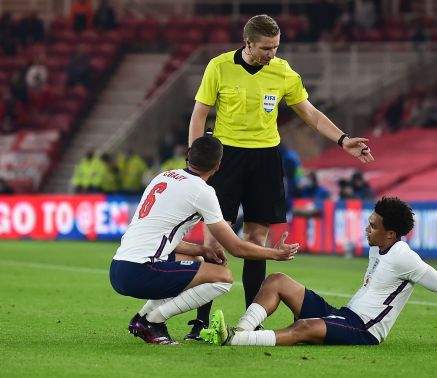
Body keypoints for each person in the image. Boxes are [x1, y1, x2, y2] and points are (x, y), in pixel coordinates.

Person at [188, 14, 374, 339]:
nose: (271, 54)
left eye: (275, 47)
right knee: (215, 240)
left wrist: (343, 140)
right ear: (247, 43)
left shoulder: (283, 71)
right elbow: (199, 114)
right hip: (226, 158)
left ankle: (251, 322)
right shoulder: (219, 66)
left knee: (256, 240)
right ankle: (201, 322)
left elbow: (311, 113)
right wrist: (195, 163)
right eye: (265, 48)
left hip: (266, 160)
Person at [109, 135, 299, 345]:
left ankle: (141, 318)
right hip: (140, 271)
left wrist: (202, 250)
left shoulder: (163, 177)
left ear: (188, 156)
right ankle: (153, 321)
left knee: (197, 262)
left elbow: (161, 237)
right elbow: (235, 247)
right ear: (218, 165)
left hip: (118, 267)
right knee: (223, 278)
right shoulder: (202, 191)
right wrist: (275, 253)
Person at [201, 197, 437, 348]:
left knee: (303, 327)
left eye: (373, 226)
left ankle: (235, 340)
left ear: (390, 233)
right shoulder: (378, 248)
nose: (367, 229)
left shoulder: (404, 256)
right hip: (345, 315)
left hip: (364, 331)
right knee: (277, 280)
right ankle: (240, 330)